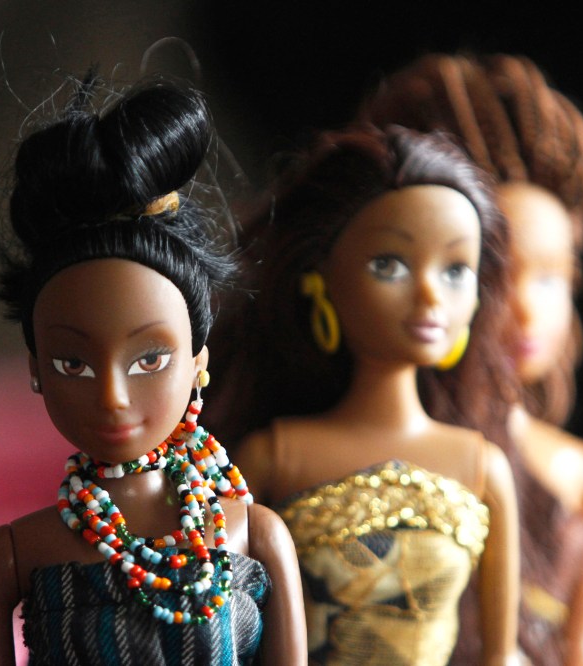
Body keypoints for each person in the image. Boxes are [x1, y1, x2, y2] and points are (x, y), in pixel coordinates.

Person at [0, 75, 306, 665]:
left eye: (151, 359)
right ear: (36, 369)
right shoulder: (13, 555)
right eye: (73, 363)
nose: (113, 396)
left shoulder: (254, 535)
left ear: (198, 362)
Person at [358, 53, 583, 665]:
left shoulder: (580, 473)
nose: (527, 309)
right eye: (497, 273)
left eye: (552, 278)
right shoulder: (395, 457)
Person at [213, 125, 522, 664]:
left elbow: (500, 654)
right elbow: (223, 627)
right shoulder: (275, 457)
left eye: (455, 270)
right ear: (320, 281)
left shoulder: (481, 468)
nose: (429, 295)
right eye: (389, 264)